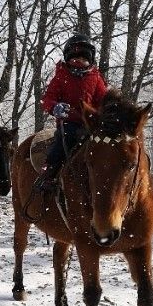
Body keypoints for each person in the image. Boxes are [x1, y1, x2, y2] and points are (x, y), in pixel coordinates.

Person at [35, 33, 108, 192]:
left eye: (83, 58)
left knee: (108, 143)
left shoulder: (96, 77)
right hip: (69, 122)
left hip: (91, 123)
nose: (79, 61)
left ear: (90, 59)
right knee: (64, 140)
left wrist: (107, 111)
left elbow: (103, 99)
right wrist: (55, 107)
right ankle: (49, 173)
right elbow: (48, 98)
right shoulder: (61, 75)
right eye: (75, 58)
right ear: (68, 58)